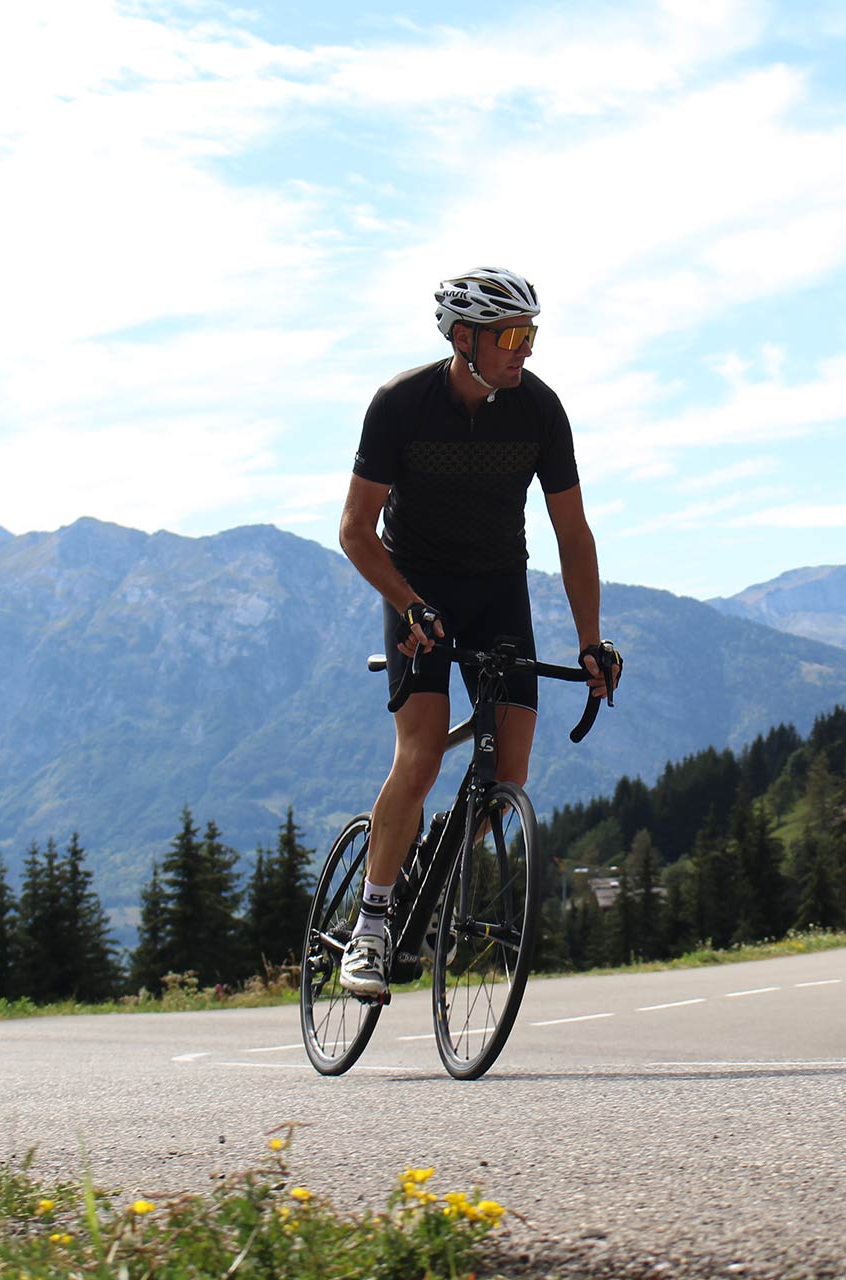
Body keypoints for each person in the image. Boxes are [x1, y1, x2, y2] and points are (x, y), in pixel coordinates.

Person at [335, 266, 622, 997]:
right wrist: (407, 605)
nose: (524, 350)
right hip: (417, 594)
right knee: (424, 753)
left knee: (508, 774)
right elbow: (355, 531)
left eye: (532, 335)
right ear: (464, 339)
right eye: (511, 336)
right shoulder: (402, 404)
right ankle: (371, 927)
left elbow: (572, 534)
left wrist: (590, 641)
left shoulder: (538, 411)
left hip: (498, 592)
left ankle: (433, 877)